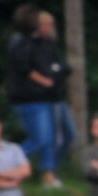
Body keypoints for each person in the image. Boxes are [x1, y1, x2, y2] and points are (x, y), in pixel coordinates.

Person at [6, 4, 60, 188]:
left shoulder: (36, 41)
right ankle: (8, 164)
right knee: (41, 138)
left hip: (40, 97)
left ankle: (49, 176)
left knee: (48, 138)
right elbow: (24, 68)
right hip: (27, 98)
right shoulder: (20, 42)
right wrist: (45, 81)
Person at [34, 10, 75, 174]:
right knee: (52, 138)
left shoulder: (50, 44)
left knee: (69, 137)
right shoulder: (33, 47)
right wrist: (56, 70)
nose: (47, 28)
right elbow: (47, 71)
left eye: (50, 24)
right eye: (44, 24)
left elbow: (64, 68)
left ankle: (50, 168)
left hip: (58, 97)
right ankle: (48, 173)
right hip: (46, 99)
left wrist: (56, 70)